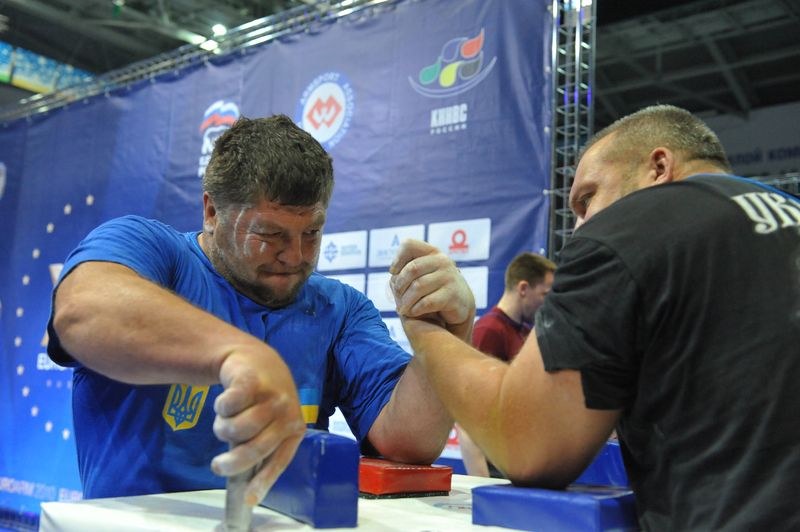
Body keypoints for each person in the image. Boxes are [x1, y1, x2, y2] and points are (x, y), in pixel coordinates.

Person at [390, 104, 800, 530]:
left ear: (658, 168)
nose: (581, 228)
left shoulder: (635, 225)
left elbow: (528, 444)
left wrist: (428, 331)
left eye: (587, 199)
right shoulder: (787, 211)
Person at [47, 115, 474, 507]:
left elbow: (408, 444)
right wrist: (239, 353)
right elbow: (81, 311)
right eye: (270, 234)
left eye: (312, 232)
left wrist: (445, 336)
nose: (295, 255)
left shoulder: (339, 307)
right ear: (212, 212)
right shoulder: (151, 249)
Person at [460, 252, 555, 477]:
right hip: (494, 468)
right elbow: (467, 418)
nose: (548, 303)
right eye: (545, 294)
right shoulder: (489, 330)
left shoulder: (524, 330)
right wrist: (480, 484)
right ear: (523, 288)